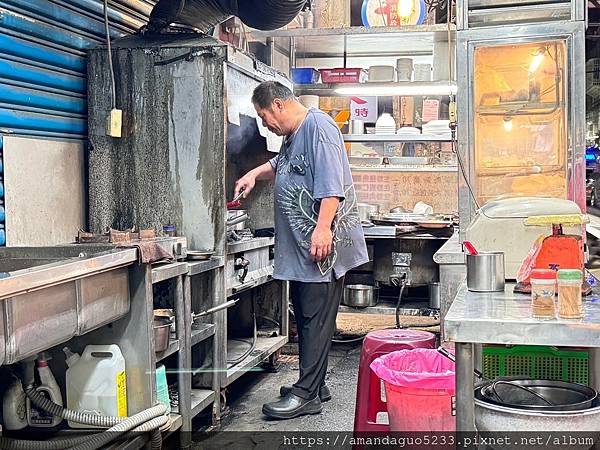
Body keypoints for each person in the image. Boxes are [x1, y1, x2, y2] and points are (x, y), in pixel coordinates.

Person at [234, 81, 368, 420]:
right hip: (305, 249)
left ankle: (307, 395)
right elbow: (283, 164)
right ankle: (315, 382)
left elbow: (331, 185)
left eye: (264, 117)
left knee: (315, 318)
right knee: (308, 315)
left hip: (322, 246)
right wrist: (254, 174)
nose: (265, 124)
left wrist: (323, 228)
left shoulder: (319, 127)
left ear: (278, 105)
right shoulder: (293, 136)